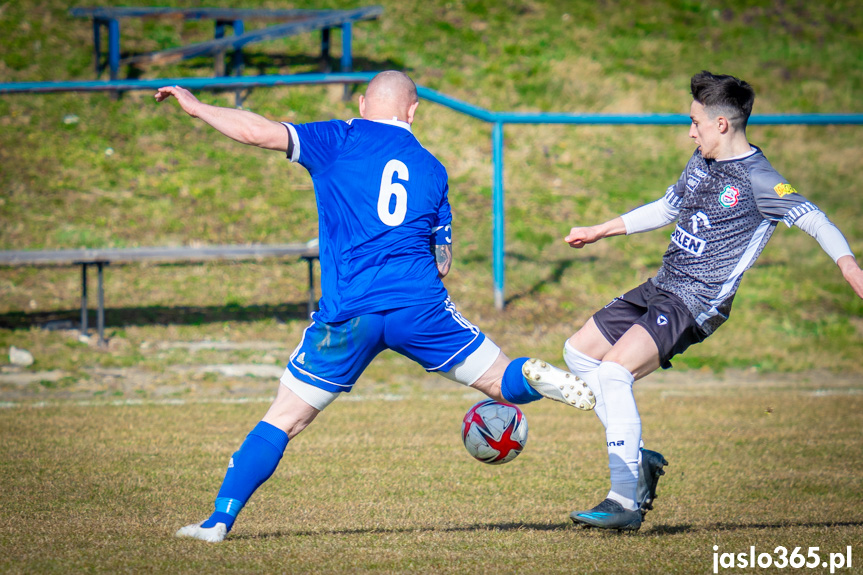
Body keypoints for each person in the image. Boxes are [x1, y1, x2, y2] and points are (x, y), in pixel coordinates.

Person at [155, 70, 594, 543]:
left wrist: (198, 107)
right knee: (502, 384)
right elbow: (441, 261)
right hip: (419, 306)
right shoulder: (432, 168)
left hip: (351, 311)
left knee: (283, 418)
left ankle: (218, 521)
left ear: (363, 103)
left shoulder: (339, 137)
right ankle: (529, 370)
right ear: (413, 111)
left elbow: (256, 130)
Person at [532, 70, 863, 532]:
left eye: (696, 122)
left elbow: (815, 219)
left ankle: (623, 500)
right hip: (663, 284)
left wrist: (848, 265)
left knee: (613, 372)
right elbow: (669, 206)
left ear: (722, 124)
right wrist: (599, 230)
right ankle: (637, 456)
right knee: (578, 353)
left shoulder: (758, 178)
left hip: (696, 301)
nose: (691, 131)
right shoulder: (700, 161)